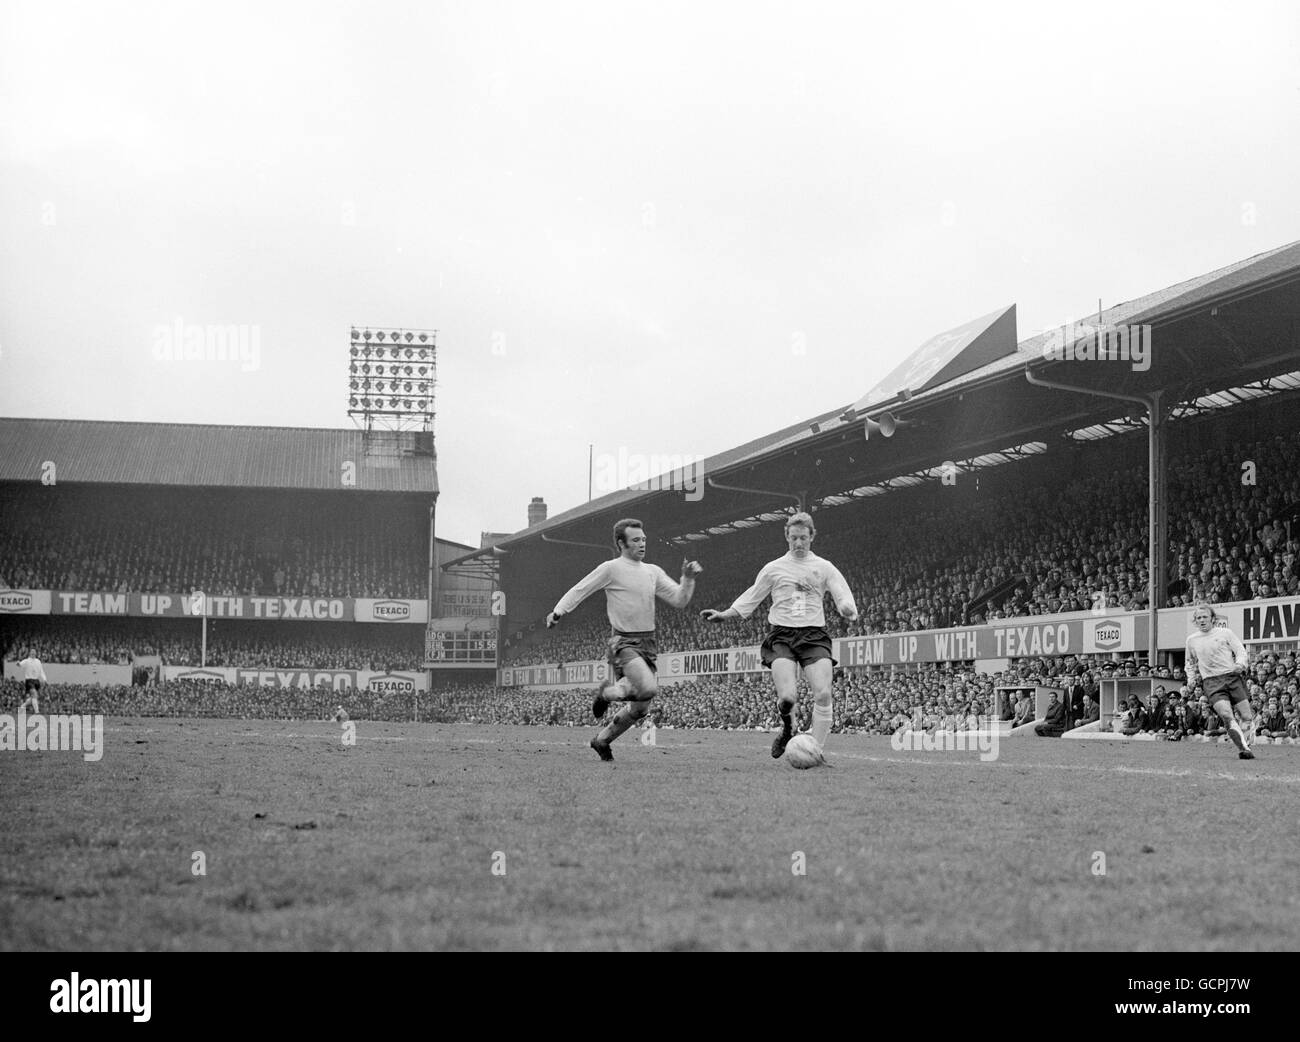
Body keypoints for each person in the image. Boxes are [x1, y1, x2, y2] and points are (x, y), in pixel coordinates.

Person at [700, 511, 857, 764]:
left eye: (803, 538)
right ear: (786, 536)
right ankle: (787, 728)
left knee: (824, 694)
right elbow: (752, 595)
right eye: (793, 538)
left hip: (814, 636)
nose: (798, 543)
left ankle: (815, 751)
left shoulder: (823, 567)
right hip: (782, 636)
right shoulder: (773, 568)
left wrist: (847, 607)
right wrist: (724, 614)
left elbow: (841, 590)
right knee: (787, 698)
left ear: (812, 537)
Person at [546, 518, 701, 761]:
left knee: (640, 708)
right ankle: (606, 693)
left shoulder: (652, 571)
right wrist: (558, 611)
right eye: (636, 540)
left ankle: (602, 740)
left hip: (648, 643)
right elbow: (581, 588)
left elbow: (679, 600)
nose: (642, 544)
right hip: (623, 642)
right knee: (648, 688)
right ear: (622, 543)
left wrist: (687, 578)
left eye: (644, 539)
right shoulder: (612, 568)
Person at [1184, 603, 1255, 759]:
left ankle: (1247, 742)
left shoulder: (1225, 633)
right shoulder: (1191, 640)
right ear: (1195, 621)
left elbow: (1240, 650)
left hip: (1232, 677)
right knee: (1226, 714)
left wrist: (1240, 664)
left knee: (1247, 716)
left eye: (1205, 617)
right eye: (1198, 618)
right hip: (1211, 682)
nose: (1202, 620)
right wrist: (1190, 679)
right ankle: (1244, 749)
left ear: (1213, 618)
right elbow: (1189, 663)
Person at [17, 648, 47, 713]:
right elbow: (20, 664)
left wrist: (44, 679)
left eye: (34, 652)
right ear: (29, 653)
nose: (33, 653)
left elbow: (41, 671)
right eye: (32, 652)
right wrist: (18, 663)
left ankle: (22, 706)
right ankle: (37, 712)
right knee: (34, 694)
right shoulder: (26, 661)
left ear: (36, 653)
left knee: (34, 697)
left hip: (36, 681)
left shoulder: (38, 661)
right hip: (29, 680)